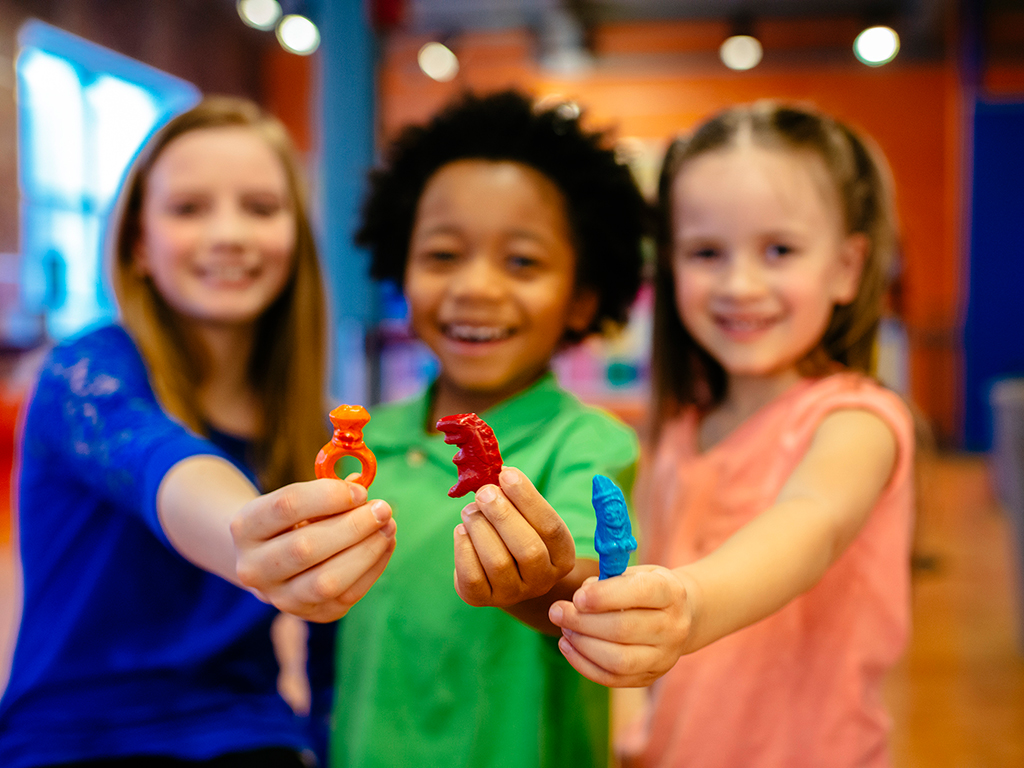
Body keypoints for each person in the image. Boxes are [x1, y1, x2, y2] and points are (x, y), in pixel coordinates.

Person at [0, 97, 397, 767]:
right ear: (139, 245)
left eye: (260, 208)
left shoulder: (315, 424)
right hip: (76, 735)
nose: (228, 233)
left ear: (295, 241)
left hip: (248, 729)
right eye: (189, 209)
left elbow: (331, 656)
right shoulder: (84, 375)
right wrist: (252, 533)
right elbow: (163, 466)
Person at [548, 102, 916, 767]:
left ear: (846, 267)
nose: (740, 284)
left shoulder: (857, 421)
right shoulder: (681, 428)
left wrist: (688, 605)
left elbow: (811, 524)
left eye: (779, 250)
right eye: (706, 252)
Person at [331, 90, 648, 768]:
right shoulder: (364, 445)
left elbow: (589, 590)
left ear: (582, 297)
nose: (476, 287)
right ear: (400, 269)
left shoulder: (589, 444)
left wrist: (542, 581)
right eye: (443, 254)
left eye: (522, 261)